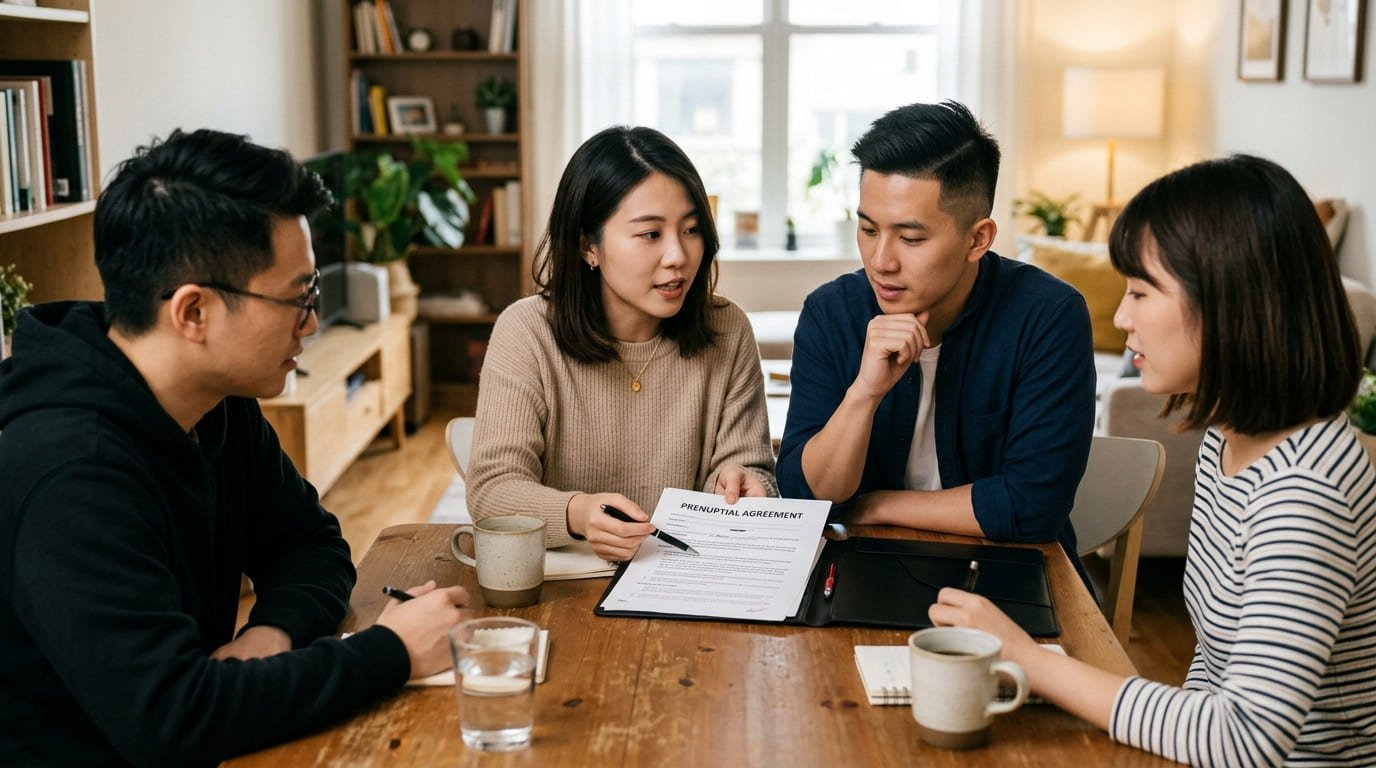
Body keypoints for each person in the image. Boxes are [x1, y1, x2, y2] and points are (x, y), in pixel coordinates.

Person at [0, 129, 469, 767]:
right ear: (193, 312)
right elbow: (173, 719)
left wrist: (268, 635)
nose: (310, 322)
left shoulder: (217, 403)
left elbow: (311, 544)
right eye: (298, 297)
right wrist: (391, 651)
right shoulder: (69, 473)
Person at [932, 154, 1376, 766]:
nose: (1121, 318)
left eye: (1141, 291)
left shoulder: (1304, 491)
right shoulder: (1230, 441)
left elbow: (1244, 736)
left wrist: (1028, 658)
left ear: (1228, 303)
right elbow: (1215, 673)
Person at [776, 101, 1096, 565]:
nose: (881, 261)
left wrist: (878, 504)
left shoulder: (1047, 316)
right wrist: (864, 393)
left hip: (1005, 567)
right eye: (868, 229)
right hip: (857, 564)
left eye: (910, 239)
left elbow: (1032, 508)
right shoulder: (832, 313)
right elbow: (806, 498)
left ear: (977, 239)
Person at [466, 125, 777, 562]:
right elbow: (492, 490)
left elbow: (749, 468)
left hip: (686, 577)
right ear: (587, 246)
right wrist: (577, 512)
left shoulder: (727, 330)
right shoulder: (527, 332)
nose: (678, 256)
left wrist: (741, 483)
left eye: (691, 229)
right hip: (568, 584)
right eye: (650, 234)